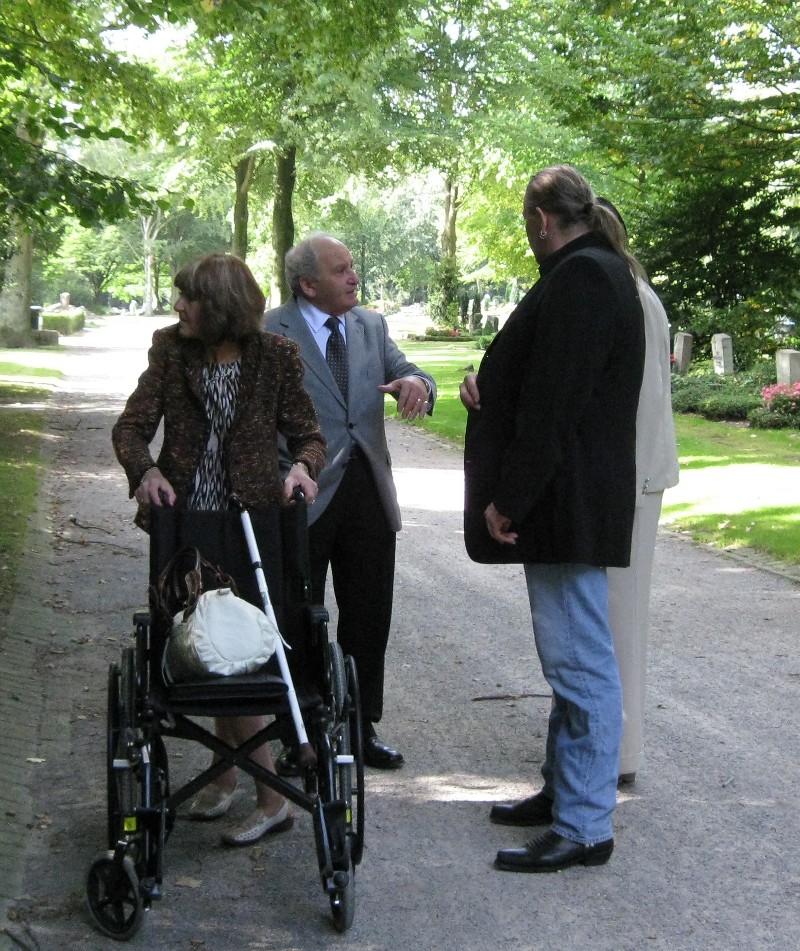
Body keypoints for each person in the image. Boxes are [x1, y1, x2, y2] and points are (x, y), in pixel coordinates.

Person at [460, 165, 645, 873]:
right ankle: (566, 787)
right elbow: (542, 381)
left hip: (564, 500)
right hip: (568, 497)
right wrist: (491, 390)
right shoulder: (592, 271)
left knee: (579, 660)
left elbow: (556, 404)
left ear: (541, 220)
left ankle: (585, 823)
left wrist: (511, 496)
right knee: (573, 652)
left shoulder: (583, 277)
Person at [112, 252, 326, 845]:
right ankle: (229, 777)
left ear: (222, 307)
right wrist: (145, 474)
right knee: (204, 646)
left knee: (243, 650)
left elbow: (308, 433)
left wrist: (303, 469)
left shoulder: (275, 357)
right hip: (186, 525)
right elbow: (130, 427)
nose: (178, 306)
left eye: (190, 298)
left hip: (255, 523)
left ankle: (264, 795)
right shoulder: (170, 349)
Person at [265, 232, 437, 770]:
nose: (354, 277)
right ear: (308, 284)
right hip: (303, 490)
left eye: (353, 267)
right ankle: (304, 735)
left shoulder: (370, 325)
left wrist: (417, 384)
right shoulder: (272, 330)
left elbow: (410, 370)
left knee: (368, 613)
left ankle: (361, 728)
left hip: (366, 489)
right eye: (341, 271)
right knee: (299, 614)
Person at [596, 198, 680, 785]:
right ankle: (612, 744)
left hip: (626, 477)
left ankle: (618, 750)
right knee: (613, 616)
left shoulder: (621, 297)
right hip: (635, 474)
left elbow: (643, 399)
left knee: (616, 618)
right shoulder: (638, 294)